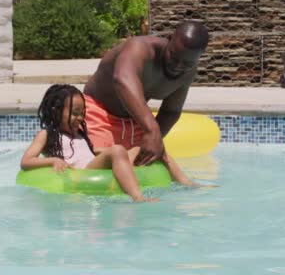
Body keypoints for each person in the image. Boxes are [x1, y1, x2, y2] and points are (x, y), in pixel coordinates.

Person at [20, 85, 199, 202]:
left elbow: (87, 152)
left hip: (94, 165)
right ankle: (138, 197)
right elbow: (26, 161)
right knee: (117, 150)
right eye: (75, 113)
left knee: (149, 148)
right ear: (56, 110)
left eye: (82, 113)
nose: (80, 118)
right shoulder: (46, 135)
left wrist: (101, 152)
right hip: (82, 174)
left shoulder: (79, 134)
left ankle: (185, 182)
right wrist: (52, 161)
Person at [83, 21, 209, 166]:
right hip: (99, 114)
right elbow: (122, 80)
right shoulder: (140, 48)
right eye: (173, 57)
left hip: (136, 122)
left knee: (153, 164)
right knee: (96, 165)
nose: (178, 66)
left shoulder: (188, 73)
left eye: (187, 63)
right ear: (169, 39)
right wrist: (151, 130)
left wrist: (155, 138)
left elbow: (171, 111)